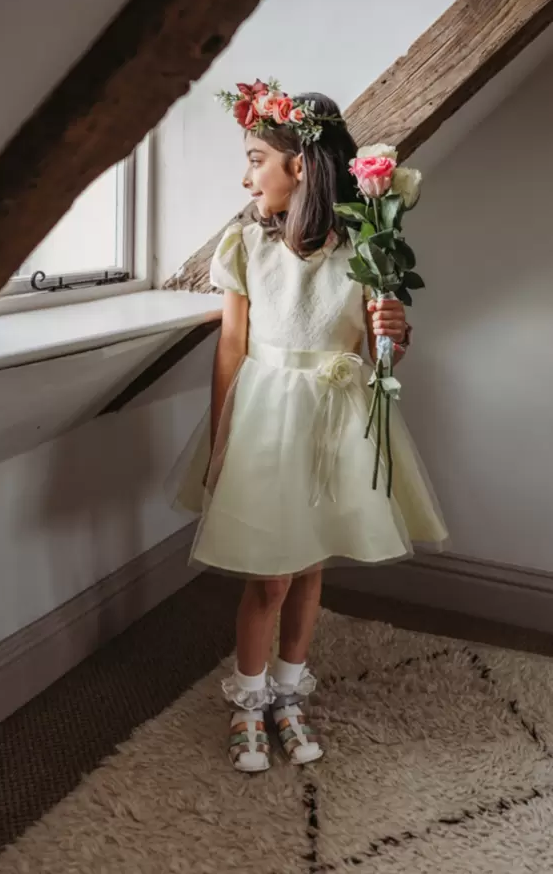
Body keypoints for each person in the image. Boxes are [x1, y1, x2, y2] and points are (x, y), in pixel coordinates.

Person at [172, 82, 448, 773]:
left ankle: (289, 694)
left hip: (333, 417)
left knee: (310, 565)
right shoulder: (243, 245)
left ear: (300, 167)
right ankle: (249, 702)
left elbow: (377, 351)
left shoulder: (367, 246)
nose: (246, 174)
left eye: (256, 157)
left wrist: (395, 332)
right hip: (265, 417)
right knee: (268, 575)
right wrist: (221, 434)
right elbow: (231, 348)